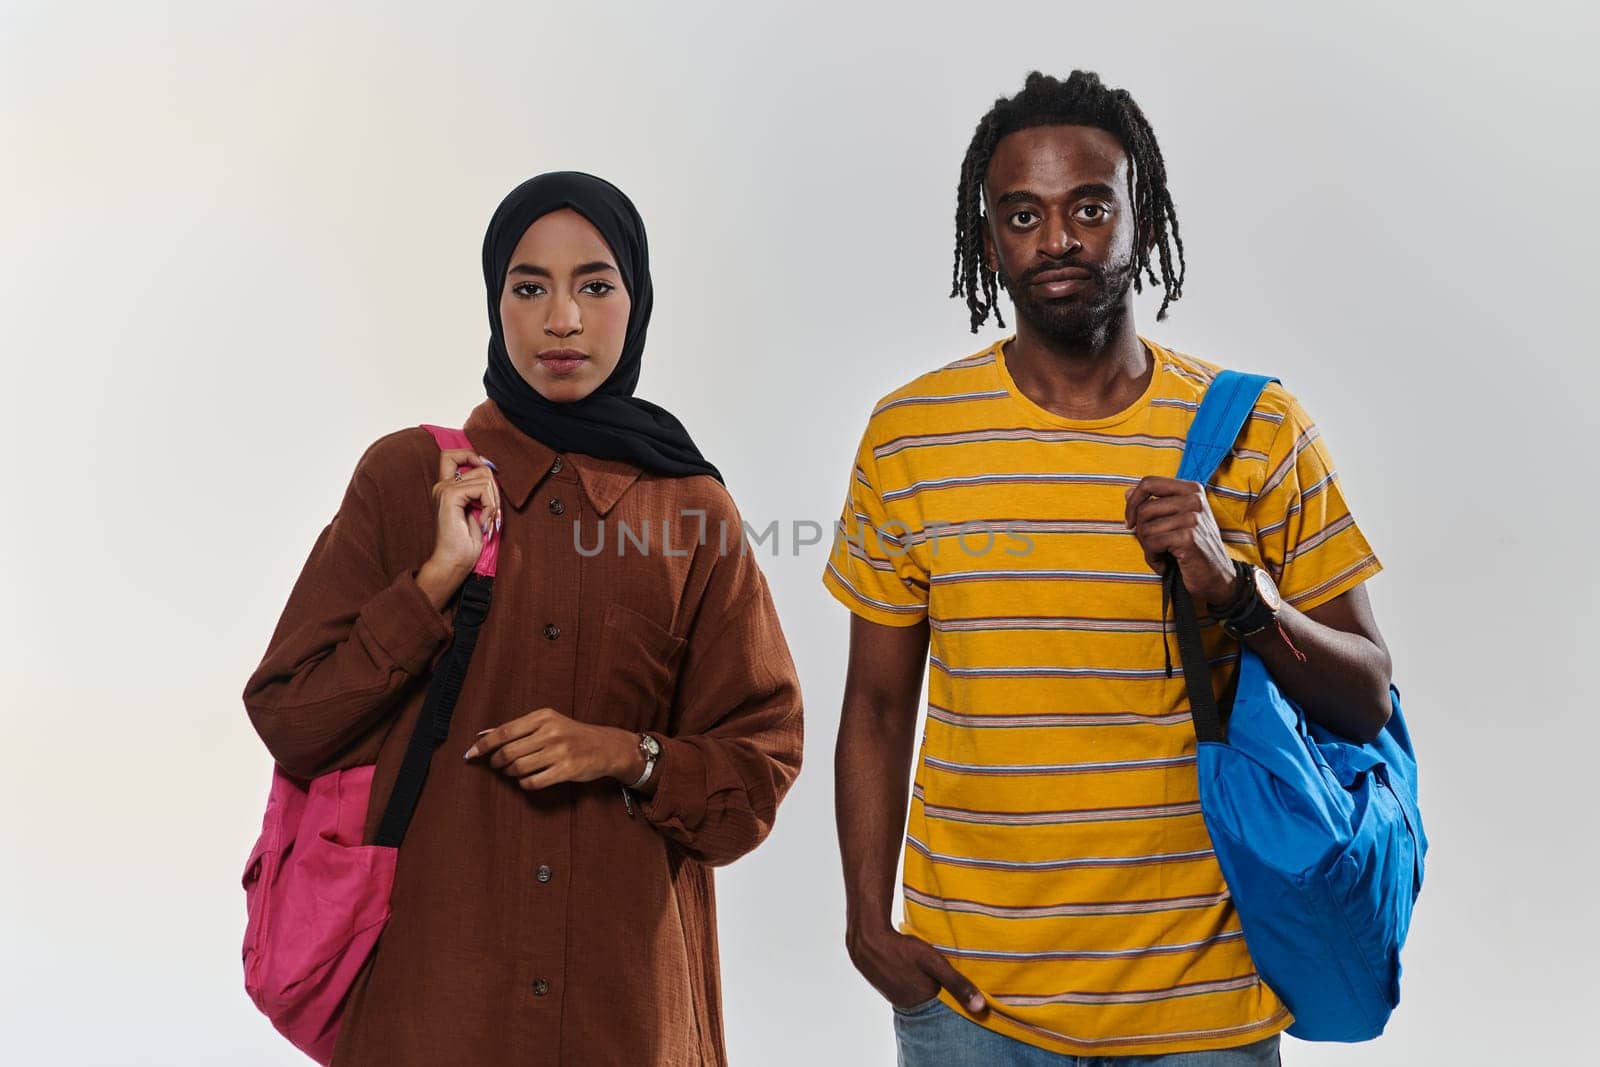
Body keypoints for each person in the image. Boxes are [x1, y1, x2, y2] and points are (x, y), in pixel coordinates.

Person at [826, 71, 1392, 1065]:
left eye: (1090, 206)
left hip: (1205, 1005)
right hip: (971, 1001)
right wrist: (868, 923)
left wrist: (1239, 592)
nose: (1056, 240)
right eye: (1022, 213)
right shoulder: (909, 437)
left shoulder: (1258, 429)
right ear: (987, 234)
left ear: (1142, 215)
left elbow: (1367, 698)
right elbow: (876, 705)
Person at [245, 171, 803, 1066]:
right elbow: (288, 717)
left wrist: (626, 752)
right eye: (529, 286)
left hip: (623, 1017)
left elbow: (760, 766)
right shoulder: (406, 479)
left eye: (595, 284)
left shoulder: (695, 511)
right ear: (494, 300)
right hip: (432, 1013)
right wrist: (431, 583)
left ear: (637, 299)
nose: (563, 320)